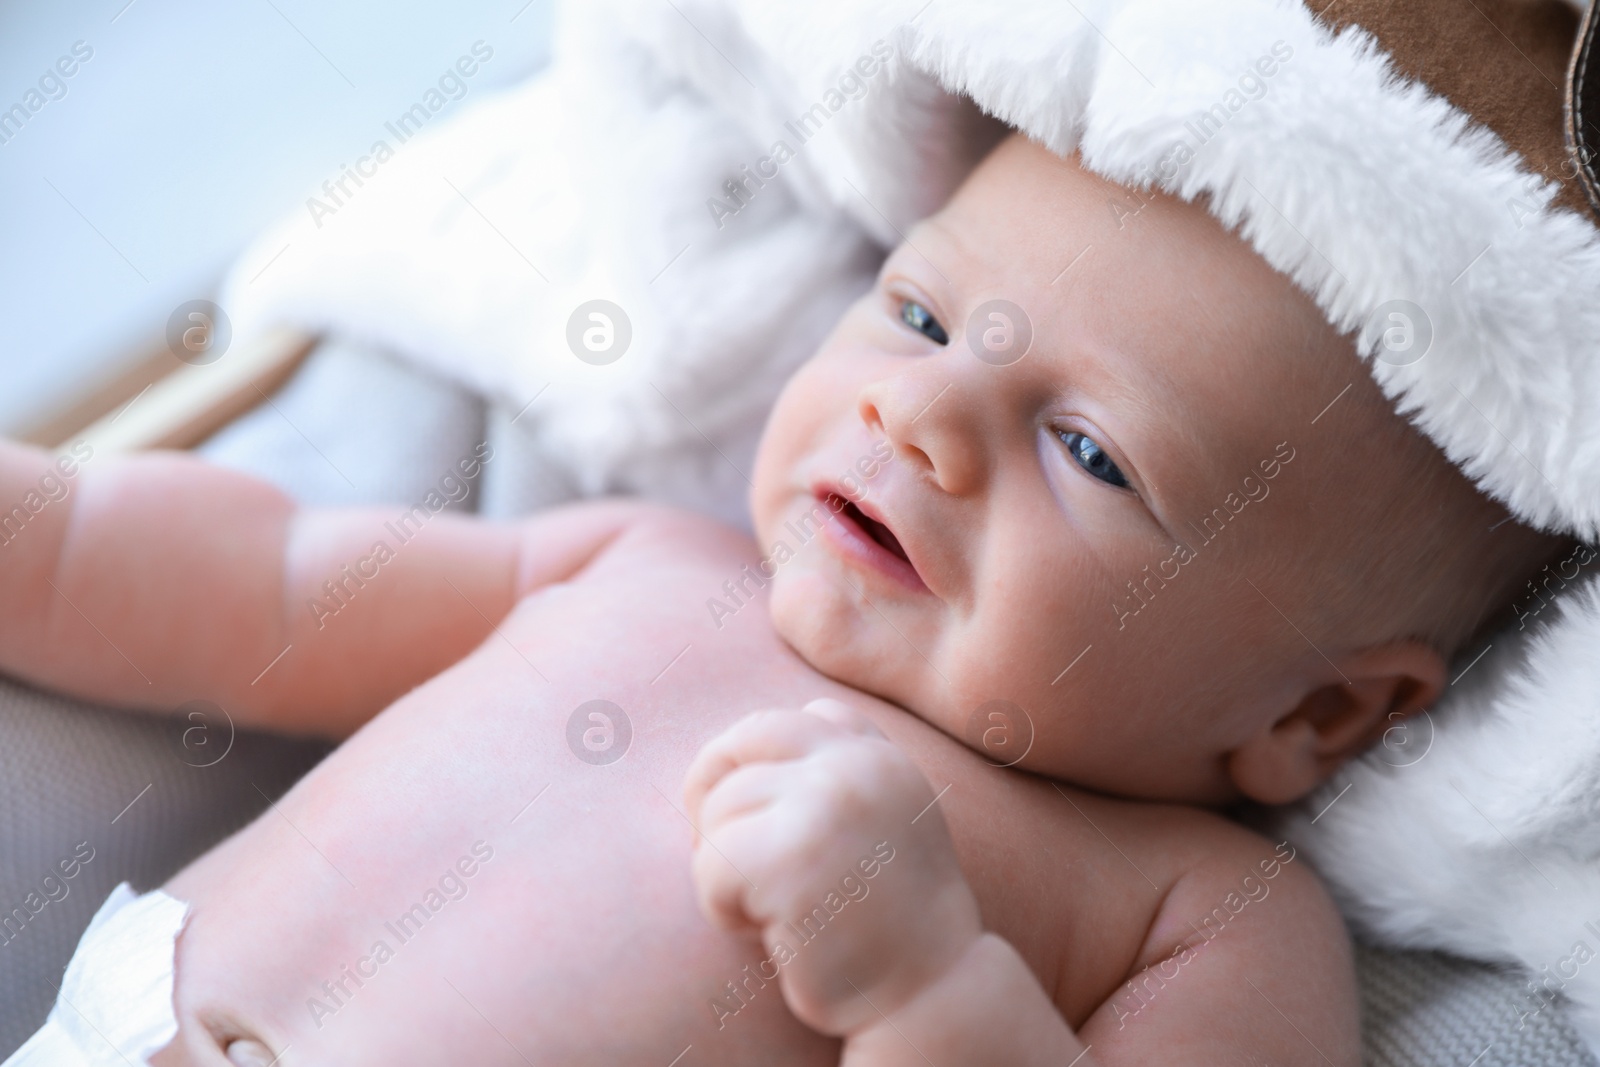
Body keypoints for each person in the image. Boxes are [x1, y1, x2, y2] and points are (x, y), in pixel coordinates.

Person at [0, 129, 1568, 1065]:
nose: (919, 416)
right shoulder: (638, 562)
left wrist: (928, 986)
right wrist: (47, 534)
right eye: (920, 311)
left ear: (1321, 710)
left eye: (1089, 450)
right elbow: (268, 590)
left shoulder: (1201, 914)